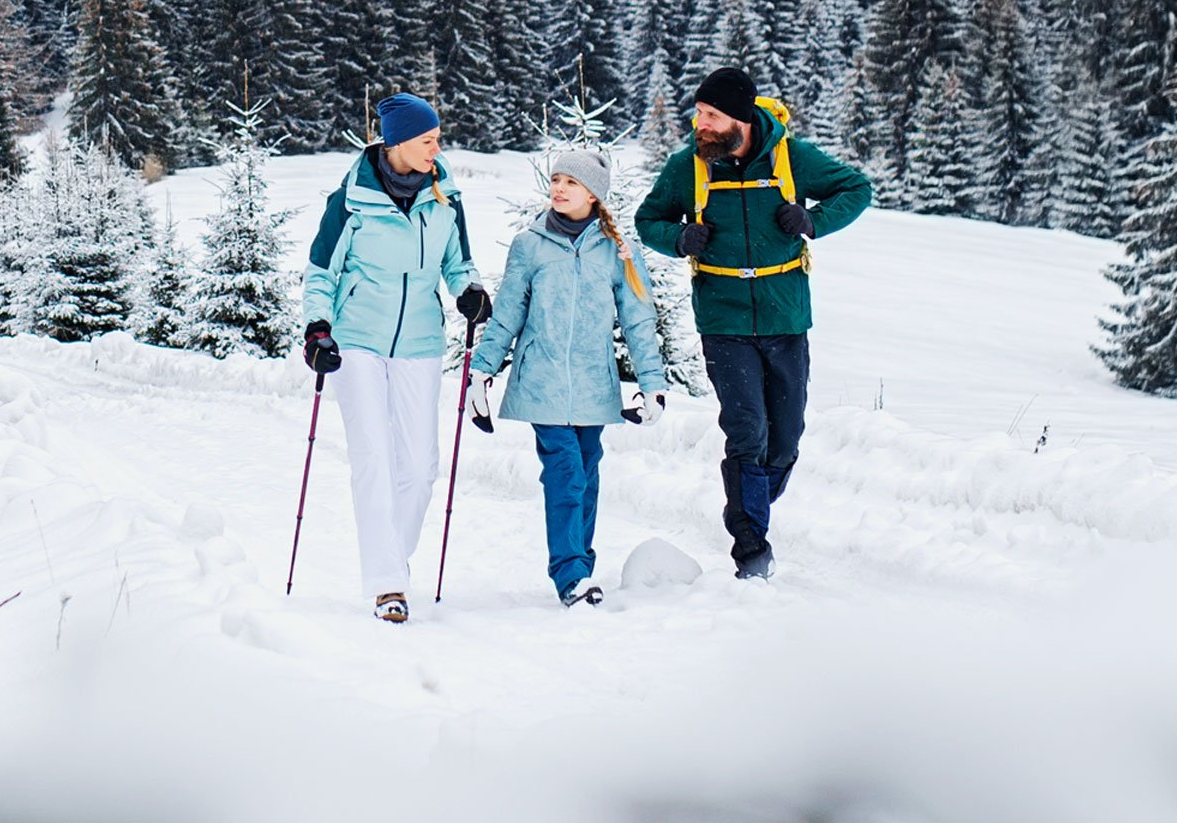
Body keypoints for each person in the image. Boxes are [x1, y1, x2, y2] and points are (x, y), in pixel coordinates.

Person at [634, 67, 872, 580]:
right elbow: (646, 219)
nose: (700, 123)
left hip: (786, 314)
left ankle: (752, 504)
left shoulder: (791, 158)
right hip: (723, 318)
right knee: (747, 431)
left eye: (711, 115)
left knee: (785, 439)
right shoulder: (689, 167)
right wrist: (678, 239)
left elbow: (856, 188)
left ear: (740, 120)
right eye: (699, 113)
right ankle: (751, 550)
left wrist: (812, 222)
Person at [300, 92, 492, 623]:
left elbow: (460, 262)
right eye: (428, 140)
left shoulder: (446, 195)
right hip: (357, 339)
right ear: (398, 142)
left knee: (422, 466)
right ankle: (388, 584)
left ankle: (394, 563)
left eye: (437, 139)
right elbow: (321, 271)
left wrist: (468, 290)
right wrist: (318, 327)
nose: (437, 148)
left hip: (420, 342)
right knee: (373, 456)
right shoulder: (351, 199)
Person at [466, 150, 668, 608]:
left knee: (587, 472)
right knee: (565, 472)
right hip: (542, 379)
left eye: (570, 182)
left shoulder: (620, 250)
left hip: (594, 383)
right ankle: (571, 574)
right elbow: (509, 314)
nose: (558, 188)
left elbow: (638, 319)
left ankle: (580, 564)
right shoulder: (530, 245)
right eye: (555, 179)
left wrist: (651, 383)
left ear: (593, 194)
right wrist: (482, 371)